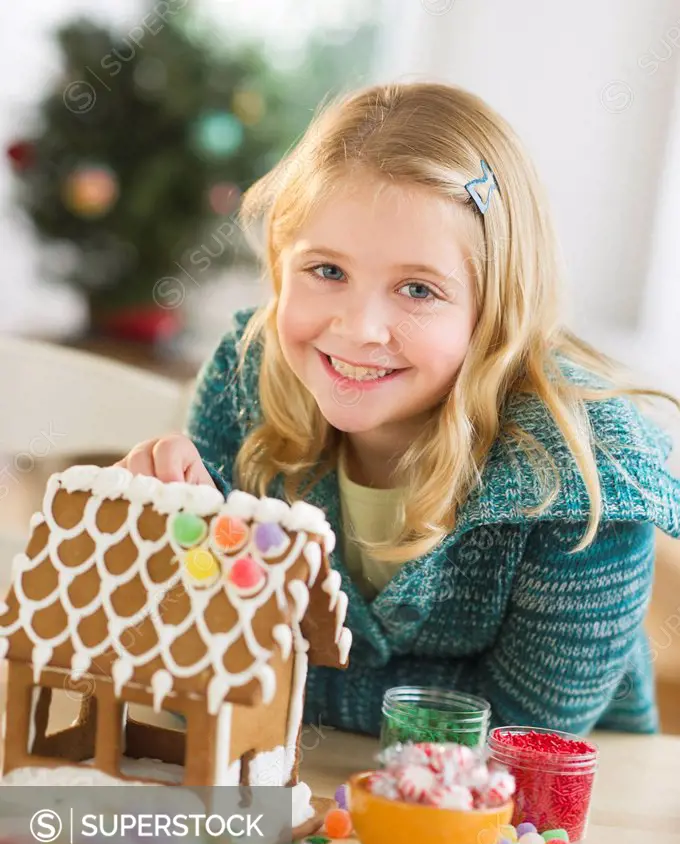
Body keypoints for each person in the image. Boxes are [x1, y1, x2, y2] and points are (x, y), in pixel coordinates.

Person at [117, 82, 680, 737]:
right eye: (327, 271)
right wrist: (175, 531)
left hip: (550, 818)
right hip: (317, 780)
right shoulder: (249, 377)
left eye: (418, 289)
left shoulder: (584, 472)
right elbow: (201, 642)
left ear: (495, 310)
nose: (360, 329)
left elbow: (525, 726)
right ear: (280, 263)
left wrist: (281, 678)